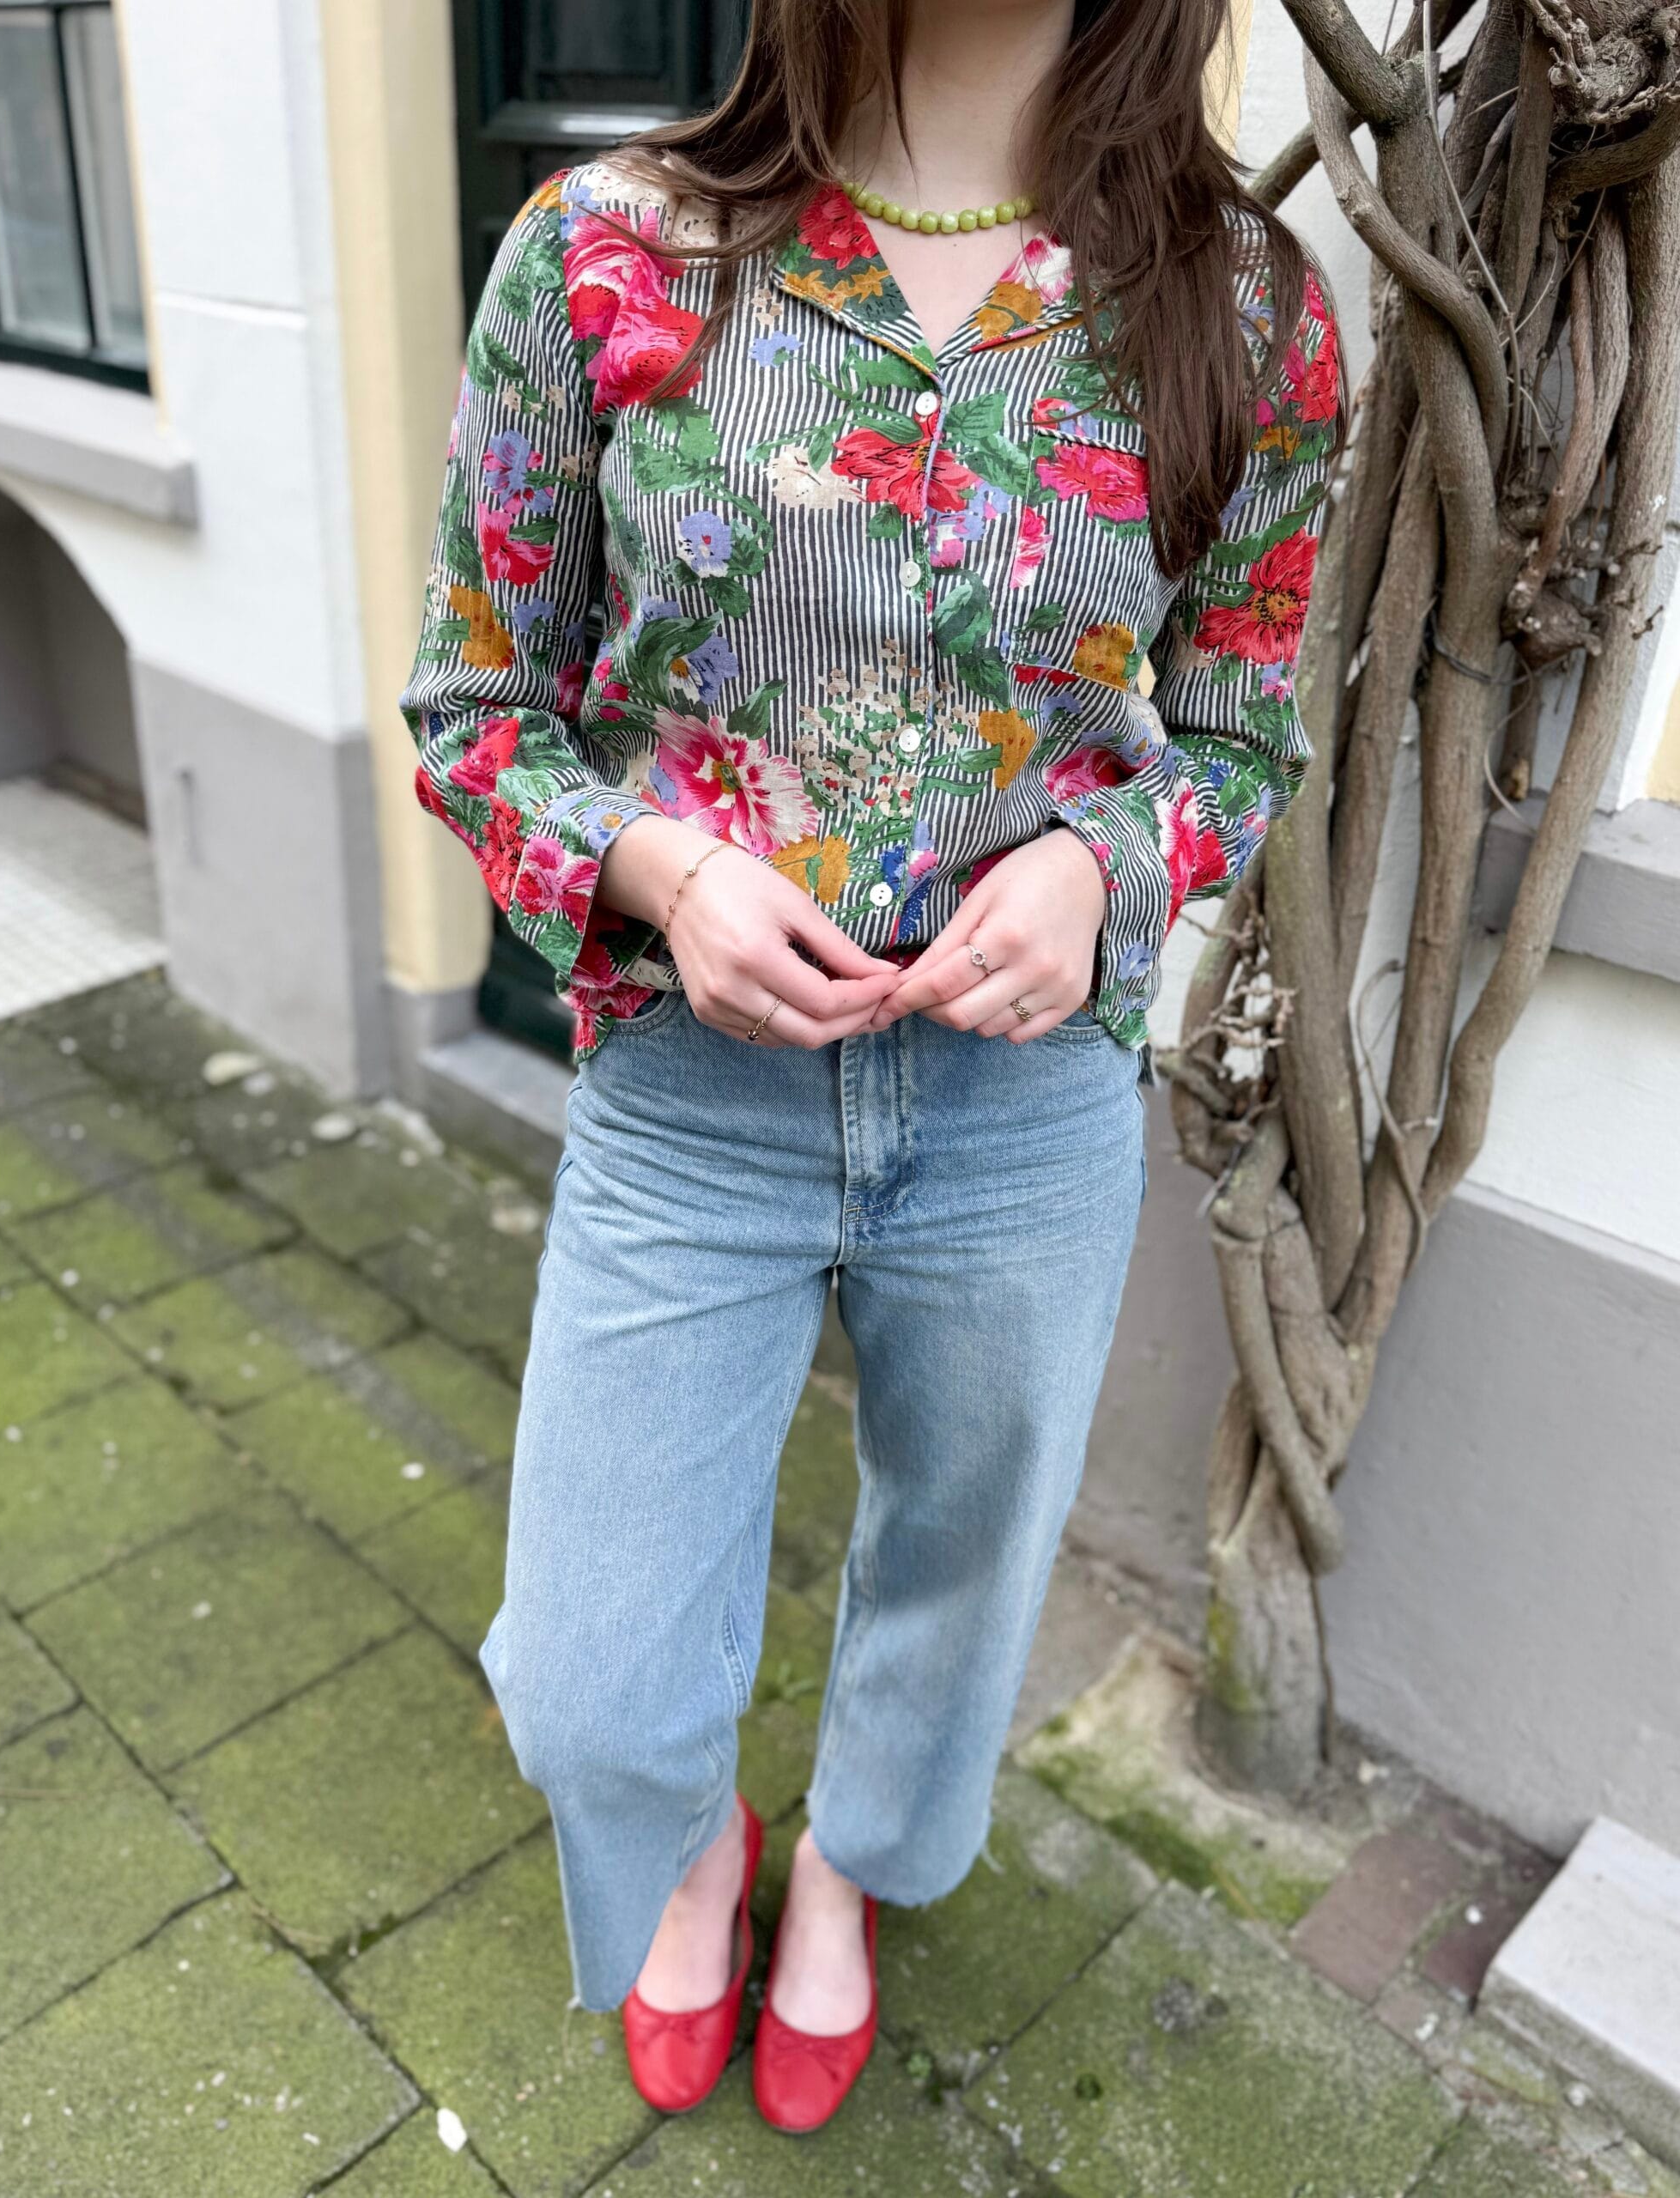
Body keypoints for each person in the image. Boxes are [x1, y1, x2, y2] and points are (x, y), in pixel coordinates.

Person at [401, 0, 1343, 2135]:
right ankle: (689, 1838)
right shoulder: (602, 251)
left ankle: (846, 1866)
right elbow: (475, 706)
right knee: (589, 1681)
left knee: (961, 1567)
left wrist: (1101, 869)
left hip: (1019, 1110)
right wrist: (659, 871)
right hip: (693, 1100)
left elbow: (1237, 732)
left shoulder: (1243, 313)